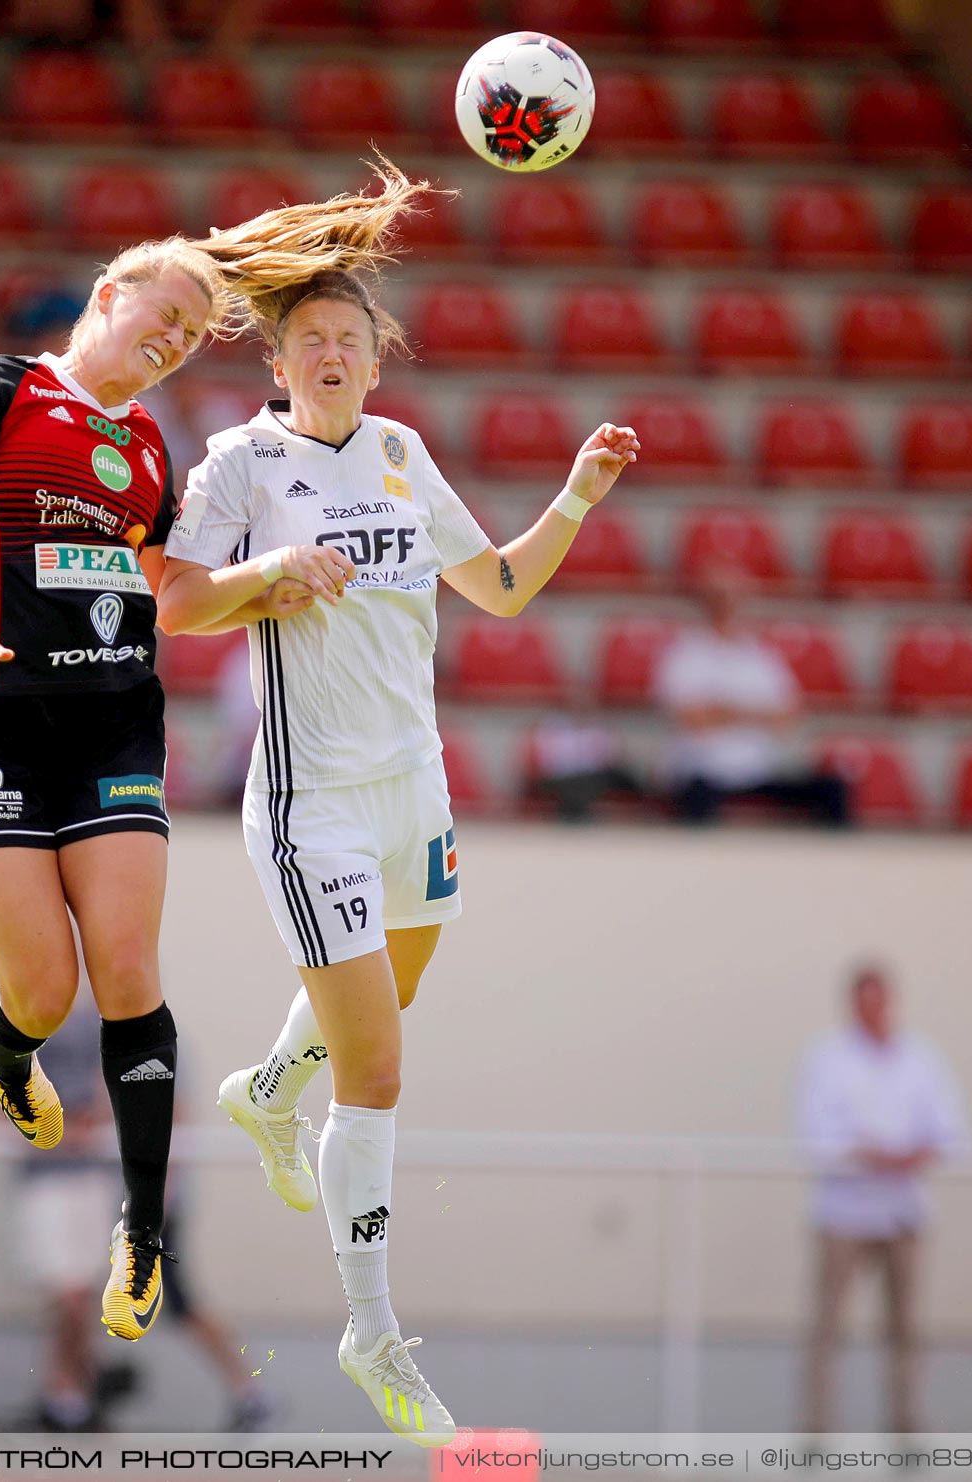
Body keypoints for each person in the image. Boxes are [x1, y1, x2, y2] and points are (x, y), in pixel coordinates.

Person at [155, 160, 640, 1444]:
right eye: (306, 336)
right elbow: (177, 602)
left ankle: (265, 1091)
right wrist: (269, 573)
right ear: (276, 359)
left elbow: (500, 590)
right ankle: (374, 1335)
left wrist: (580, 493)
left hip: (411, 790)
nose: (328, 352)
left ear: (378, 363)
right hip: (310, 804)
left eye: (349, 339)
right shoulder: (238, 464)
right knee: (376, 1065)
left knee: (389, 1000)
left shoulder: (402, 454)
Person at [0, 177, 405, 1349]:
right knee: (46, 990)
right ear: (108, 296)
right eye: (157, 318)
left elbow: (177, 601)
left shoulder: (145, 445)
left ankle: (146, 1233)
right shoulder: (0, 388)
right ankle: (11, 1046)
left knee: (127, 967)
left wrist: (276, 574)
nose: (168, 344)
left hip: (115, 720)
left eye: (185, 337)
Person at [10, 997, 275, 1433]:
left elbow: (171, 1116)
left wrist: (161, 1201)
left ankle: (251, 1391)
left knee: (176, 1299)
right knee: (84, 1292)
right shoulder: (101, 1037)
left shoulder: (154, 1039)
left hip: (150, 1205)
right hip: (124, 1199)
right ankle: (75, 1391)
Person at [796, 963, 966, 1434]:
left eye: (879, 1000)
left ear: (890, 1001)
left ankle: (905, 1429)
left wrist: (908, 1156)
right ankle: (817, 1436)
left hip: (902, 1215)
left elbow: (949, 1133)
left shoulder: (920, 1058)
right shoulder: (826, 1058)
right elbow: (814, 1137)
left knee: (906, 1332)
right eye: (863, 1001)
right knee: (826, 1331)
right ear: (853, 1004)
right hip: (843, 1216)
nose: (872, 1010)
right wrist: (868, 1153)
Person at [655, 562, 850, 827]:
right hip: (703, 770)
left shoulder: (760, 655)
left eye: (733, 596)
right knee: (696, 800)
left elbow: (788, 716)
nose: (727, 604)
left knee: (832, 789)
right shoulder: (684, 653)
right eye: (719, 596)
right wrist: (756, 714)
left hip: (758, 769)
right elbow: (692, 719)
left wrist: (723, 711)